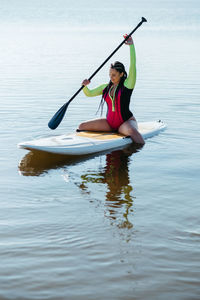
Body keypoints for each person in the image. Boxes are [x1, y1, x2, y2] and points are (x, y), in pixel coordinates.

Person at [79, 35, 145, 145]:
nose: (111, 77)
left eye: (114, 75)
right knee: (82, 126)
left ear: (121, 74)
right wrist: (84, 86)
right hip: (109, 123)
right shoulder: (105, 87)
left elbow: (133, 64)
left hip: (125, 123)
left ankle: (142, 148)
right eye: (110, 74)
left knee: (132, 131)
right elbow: (89, 94)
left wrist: (131, 46)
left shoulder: (127, 85)